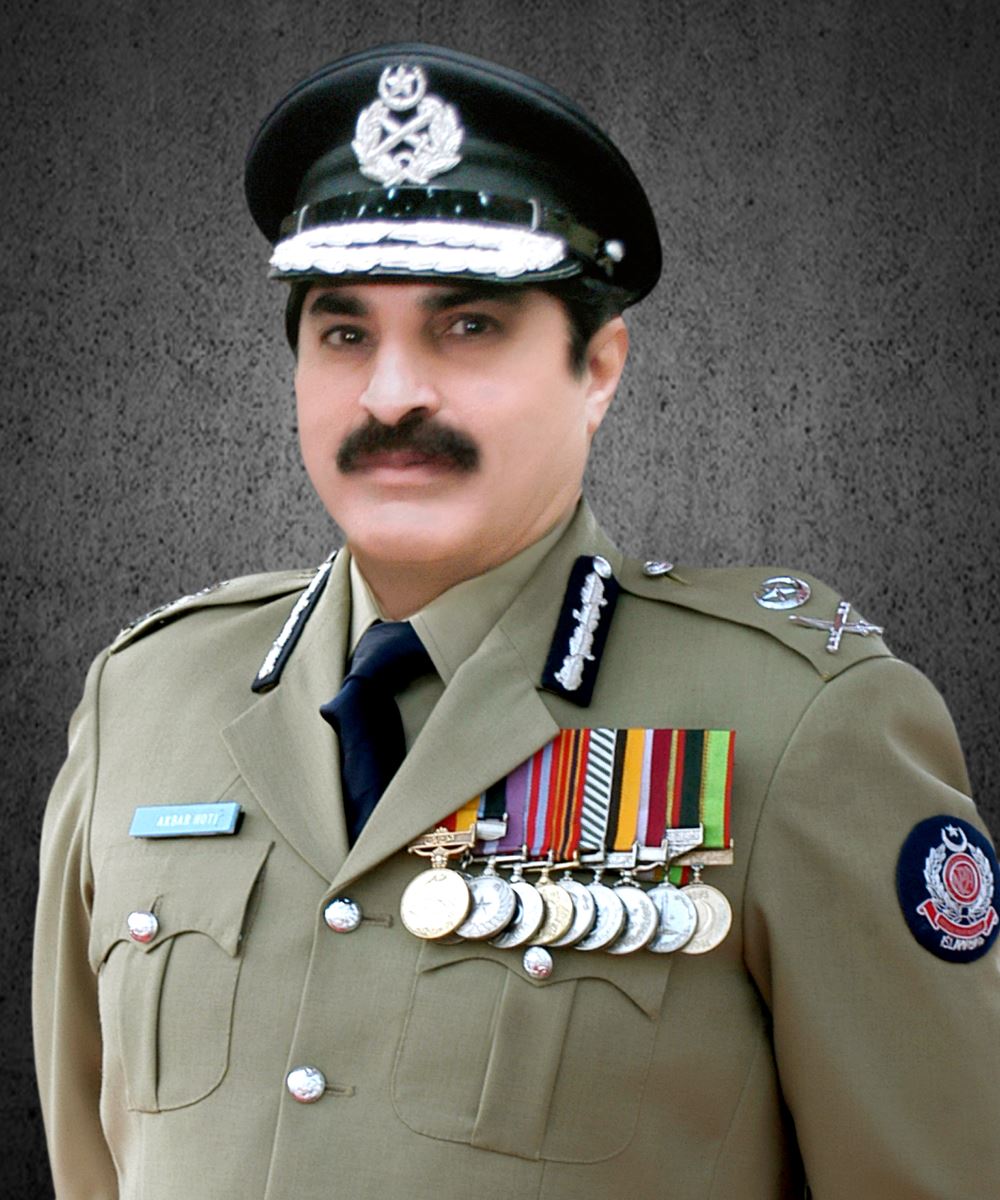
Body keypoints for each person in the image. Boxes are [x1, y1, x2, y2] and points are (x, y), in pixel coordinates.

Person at [33, 42, 1000, 1200]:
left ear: (598, 368)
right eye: (344, 332)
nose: (392, 393)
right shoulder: (144, 700)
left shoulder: (796, 724)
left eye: (468, 327)